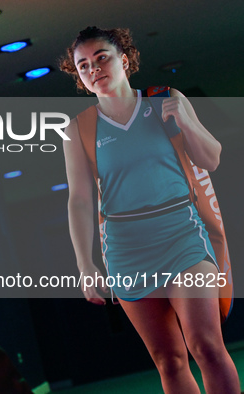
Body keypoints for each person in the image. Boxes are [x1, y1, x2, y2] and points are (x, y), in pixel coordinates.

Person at [59, 26, 240, 394]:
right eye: (83, 66)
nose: (93, 69)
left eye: (101, 58)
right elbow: (78, 200)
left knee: (206, 346)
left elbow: (212, 159)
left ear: (124, 60)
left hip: (182, 235)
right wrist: (85, 264)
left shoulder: (165, 99)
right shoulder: (78, 129)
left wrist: (186, 121)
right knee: (169, 361)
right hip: (126, 250)